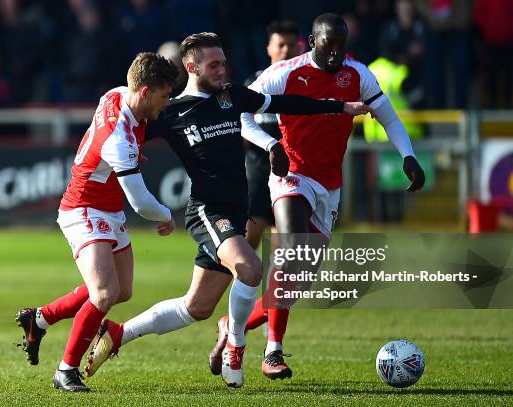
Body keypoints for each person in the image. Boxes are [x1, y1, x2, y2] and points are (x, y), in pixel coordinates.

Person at [84, 32, 372, 388]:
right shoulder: (170, 113)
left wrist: (340, 106)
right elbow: (127, 121)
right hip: (207, 210)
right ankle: (236, 343)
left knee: (196, 307)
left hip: (235, 213)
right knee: (251, 269)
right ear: (191, 67)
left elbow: (284, 102)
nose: (223, 69)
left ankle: (119, 333)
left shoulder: (231, 96)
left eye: (224, 62)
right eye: (214, 64)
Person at [210, 13, 426, 381]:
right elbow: (240, 111)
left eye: (341, 47)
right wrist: (270, 144)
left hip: (330, 185)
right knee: (293, 251)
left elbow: (388, 117)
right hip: (292, 175)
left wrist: (407, 155)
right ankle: (272, 353)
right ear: (312, 43)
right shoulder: (285, 73)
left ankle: (233, 325)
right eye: (329, 47)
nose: (335, 55)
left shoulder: (357, 74)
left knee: (296, 281)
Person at [15, 52, 178, 392]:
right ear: (146, 92)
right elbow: (141, 201)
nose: (166, 104)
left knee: (122, 291)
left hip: (107, 208)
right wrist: (166, 215)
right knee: (104, 293)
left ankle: (40, 318)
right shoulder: (118, 139)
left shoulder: (116, 93)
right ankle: (66, 370)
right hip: (83, 209)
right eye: (164, 96)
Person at [244, 20, 301, 251]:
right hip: (256, 175)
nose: (285, 50)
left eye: (290, 45)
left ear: (299, 47)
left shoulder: (305, 85)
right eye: (280, 45)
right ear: (268, 48)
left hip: (291, 175)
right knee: (248, 244)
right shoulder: (253, 84)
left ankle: (276, 288)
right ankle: (241, 288)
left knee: (285, 251)